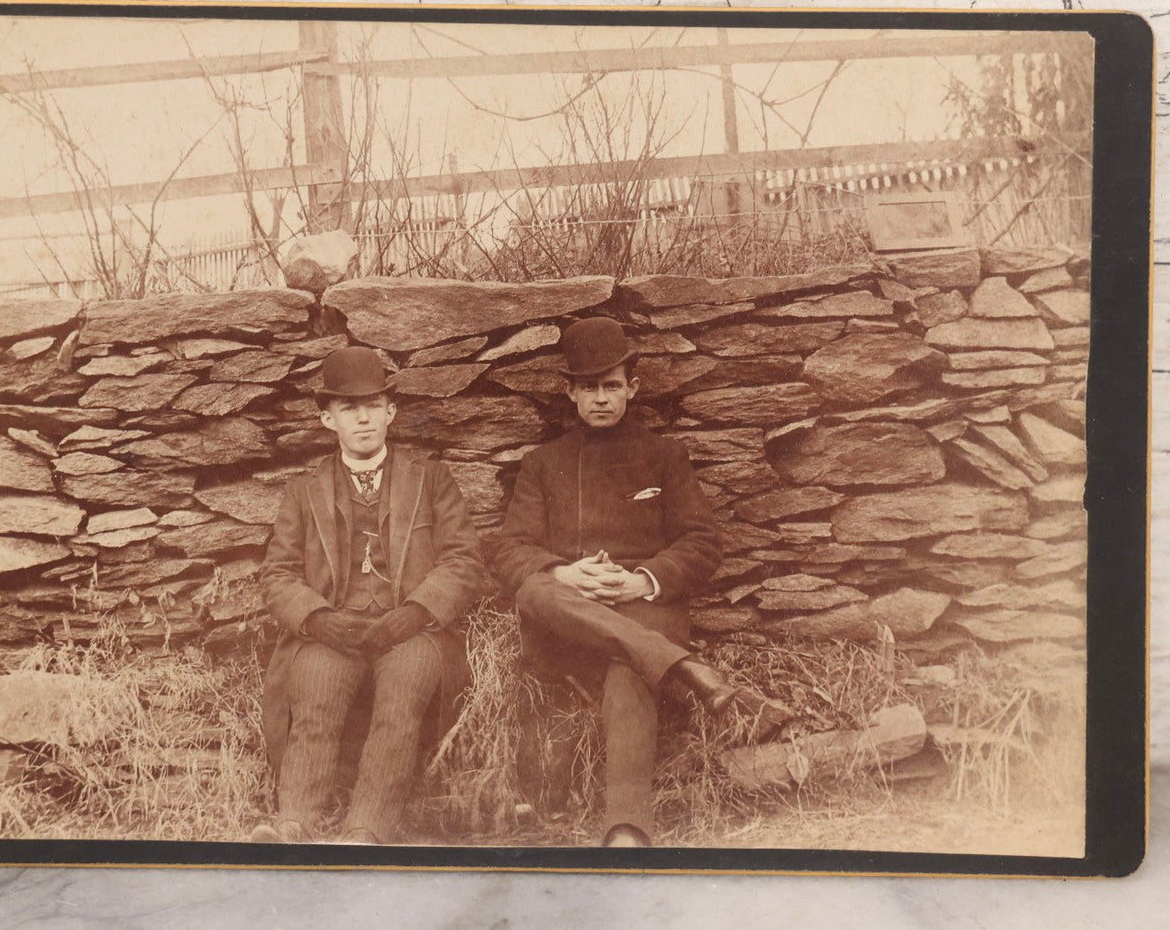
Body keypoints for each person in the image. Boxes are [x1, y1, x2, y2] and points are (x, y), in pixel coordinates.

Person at [493, 316, 793, 848]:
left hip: (646, 609)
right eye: (589, 388)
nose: (601, 399)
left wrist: (642, 581)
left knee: (630, 669)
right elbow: (511, 550)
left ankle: (626, 831)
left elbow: (703, 544)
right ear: (571, 392)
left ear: (633, 387)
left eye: (612, 386)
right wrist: (567, 572)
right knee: (534, 589)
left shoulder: (664, 456)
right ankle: (690, 670)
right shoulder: (543, 463)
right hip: (569, 618)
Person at [252, 346, 485, 844]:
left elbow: (463, 559)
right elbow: (277, 573)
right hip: (334, 630)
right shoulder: (304, 491)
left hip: (411, 631)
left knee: (403, 696)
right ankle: (293, 823)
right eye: (349, 408)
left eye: (373, 405)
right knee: (314, 689)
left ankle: (366, 831)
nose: (363, 418)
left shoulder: (431, 480)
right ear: (327, 418)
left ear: (391, 411)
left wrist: (416, 612)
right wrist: (317, 620)